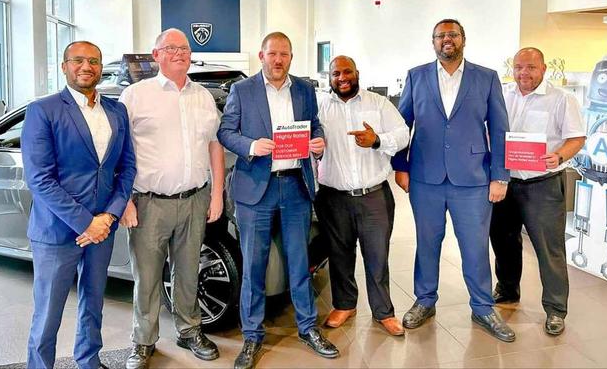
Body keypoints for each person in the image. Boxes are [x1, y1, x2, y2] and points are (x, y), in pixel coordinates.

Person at [218, 31, 339, 369]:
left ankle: (308, 328)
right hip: (256, 188)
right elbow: (225, 132)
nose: (278, 60)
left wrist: (318, 142)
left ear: (291, 58)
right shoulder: (242, 90)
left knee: (300, 262)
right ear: (261, 56)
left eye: (284, 54)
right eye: (272, 54)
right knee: (253, 266)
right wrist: (251, 146)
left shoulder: (304, 89)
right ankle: (252, 336)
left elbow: (315, 126)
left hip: (295, 187)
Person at [392, 19, 516, 343]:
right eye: (441, 35)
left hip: (473, 179)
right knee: (427, 243)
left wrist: (500, 175)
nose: (447, 39)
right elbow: (402, 125)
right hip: (425, 177)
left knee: (475, 246)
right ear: (433, 41)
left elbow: (499, 129)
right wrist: (400, 166)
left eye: (453, 35)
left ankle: (483, 306)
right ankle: (425, 300)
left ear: (463, 39)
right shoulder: (416, 76)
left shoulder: (486, 78)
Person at [23, 40, 136, 369]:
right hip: (57, 231)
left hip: (102, 229)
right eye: (78, 60)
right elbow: (40, 179)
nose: (86, 66)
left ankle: (89, 360)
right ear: (64, 67)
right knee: (48, 313)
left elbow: (127, 168)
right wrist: (87, 223)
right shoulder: (43, 110)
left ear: (101, 68)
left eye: (94, 61)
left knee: (93, 303)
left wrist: (109, 216)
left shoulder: (117, 111)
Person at [118, 28, 225, 369]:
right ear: (156, 55)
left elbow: (214, 145)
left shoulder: (203, 97)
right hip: (148, 203)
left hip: (195, 199)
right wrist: (124, 200)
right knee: (147, 277)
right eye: (171, 48)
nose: (179, 53)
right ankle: (143, 341)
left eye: (185, 48)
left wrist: (217, 194)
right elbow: (119, 151)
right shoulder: (135, 96)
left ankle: (189, 330)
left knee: (189, 272)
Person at [490, 47, 585, 336]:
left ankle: (556, 309)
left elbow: (577, 138)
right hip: (506, 183)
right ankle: (507, 290)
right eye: (519, 67)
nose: (524, 73)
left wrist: (559, 155)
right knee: (503, 241)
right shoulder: (502, 94)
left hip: (543, 184)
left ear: (543, 69)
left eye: (531, 67)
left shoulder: (562, 99)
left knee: (549, 248)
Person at [315, 56, 409, 336]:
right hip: (334, 197)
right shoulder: (319, 107)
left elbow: (403, 134)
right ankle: (345, 305)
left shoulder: (377, 104)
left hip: (374, 196)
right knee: (339, 254)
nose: (342, 78)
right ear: (329, 77)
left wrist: (377, 140)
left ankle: (383, 312)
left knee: (377, 255)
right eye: (336, 73)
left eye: (347, 72)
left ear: (356, 73)